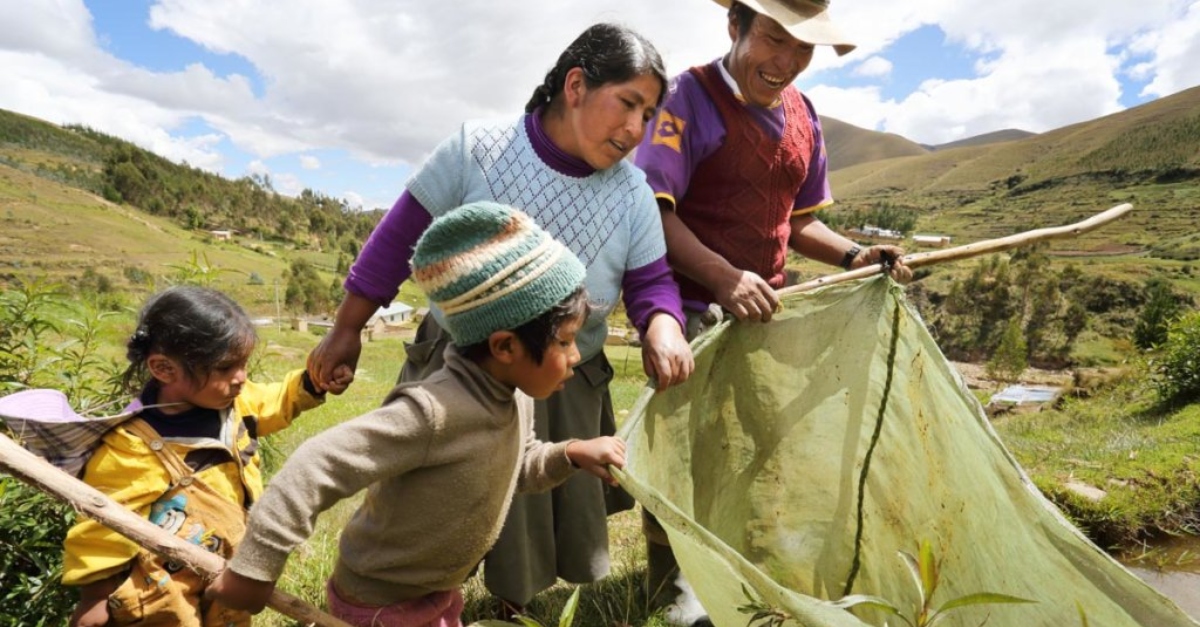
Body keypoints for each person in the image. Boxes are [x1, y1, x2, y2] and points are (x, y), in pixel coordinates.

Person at [305, 22, 693, 614]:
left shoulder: (633, 194)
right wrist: (347, 328)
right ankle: (386, 599)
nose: (636, 129)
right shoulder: (478, 149)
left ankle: (510, 607)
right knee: (422, 500)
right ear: (576, 85)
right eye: (628, 104)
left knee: (530, 519)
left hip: (558, 373)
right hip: (454, 366)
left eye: (648, 114)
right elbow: (396, 239)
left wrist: (662, 323)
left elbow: (650, 282)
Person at [207, 202, 627, 627]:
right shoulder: (432, 413)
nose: (576, 357)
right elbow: (313, 467)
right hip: (381, 602)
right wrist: (254, 569)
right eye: (566, 341)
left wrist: (570, 453)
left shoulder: (514, 395)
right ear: (504, 347)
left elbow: (520, 465)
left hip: (437, 591)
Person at [632, 1, 912, 624]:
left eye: (803, 49)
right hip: (688, 312)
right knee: (686, 454)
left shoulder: (801, 115)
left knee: (759, 448)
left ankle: (742, 568)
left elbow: (800, 222)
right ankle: (672, 589)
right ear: (736, 27)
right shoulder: (687, 98)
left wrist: (857, 254)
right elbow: (653, 211)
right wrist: (723, 277)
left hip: (764, 313)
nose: (786, 62)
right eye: (773, 39)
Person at [62, 286, 326, 627]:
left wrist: (311, 383)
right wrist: (95, 596)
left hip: (226, 574)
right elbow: (103, 523)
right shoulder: (133, 445)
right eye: (226, 367)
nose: (241, 378)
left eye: (243, 364)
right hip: (163, 590)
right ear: (164, 369)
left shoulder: (234, 405)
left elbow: (276, 401)